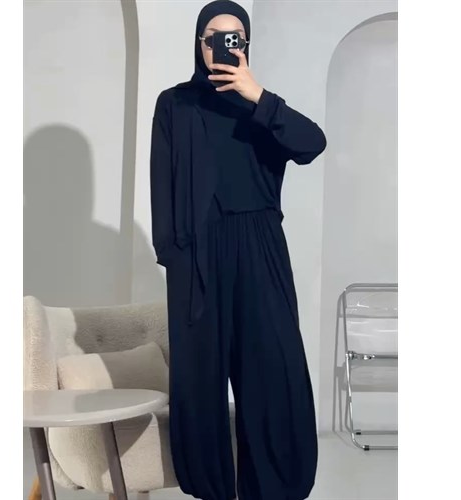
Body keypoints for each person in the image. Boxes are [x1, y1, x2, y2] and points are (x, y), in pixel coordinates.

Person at [150, 1, 327, 499]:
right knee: (201, 378)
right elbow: (162, 185)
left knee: (273, 367)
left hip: (260, 248)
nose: (222, 46)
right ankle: (212, 488)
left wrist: (259, 97)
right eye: (213, 37)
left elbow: (313, 144)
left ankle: (272, 488)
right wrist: (175, 258)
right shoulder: (175, 104)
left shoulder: (263, 106)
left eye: (234, 38)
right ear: (199, 43)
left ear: (246, 45)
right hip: (197, 254)